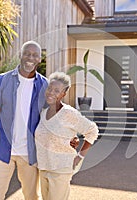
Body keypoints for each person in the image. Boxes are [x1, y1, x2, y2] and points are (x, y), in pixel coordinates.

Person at [0, 41, 47, 200]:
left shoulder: (44, 85)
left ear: (40, 59)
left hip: (30, 153)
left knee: (31, 196)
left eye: (34, 55)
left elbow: (51, 118)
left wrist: (68, 138)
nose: (30, 58)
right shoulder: (2, 81)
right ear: (20, 55)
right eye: (27, 53)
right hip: (2, 151)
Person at [35, 72, 99, 200]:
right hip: (43, 168)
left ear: (63, 94)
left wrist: (80, 156)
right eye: (50, 89)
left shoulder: (68, 113)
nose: (51, 93)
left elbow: (92, 130)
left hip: (61, 169)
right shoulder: (43, 112)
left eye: (57, 91)